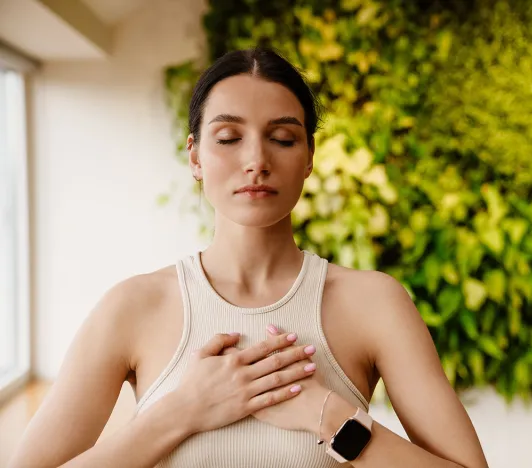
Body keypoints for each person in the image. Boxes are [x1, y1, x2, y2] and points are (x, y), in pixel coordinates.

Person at [9, 47, 488, 468]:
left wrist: (330, 417)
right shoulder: (133, 307)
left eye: (282, 138)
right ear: (195, 157)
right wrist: (181, 412)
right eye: (229, 137)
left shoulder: (374, 302)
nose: (256, 159)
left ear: (309, 157)